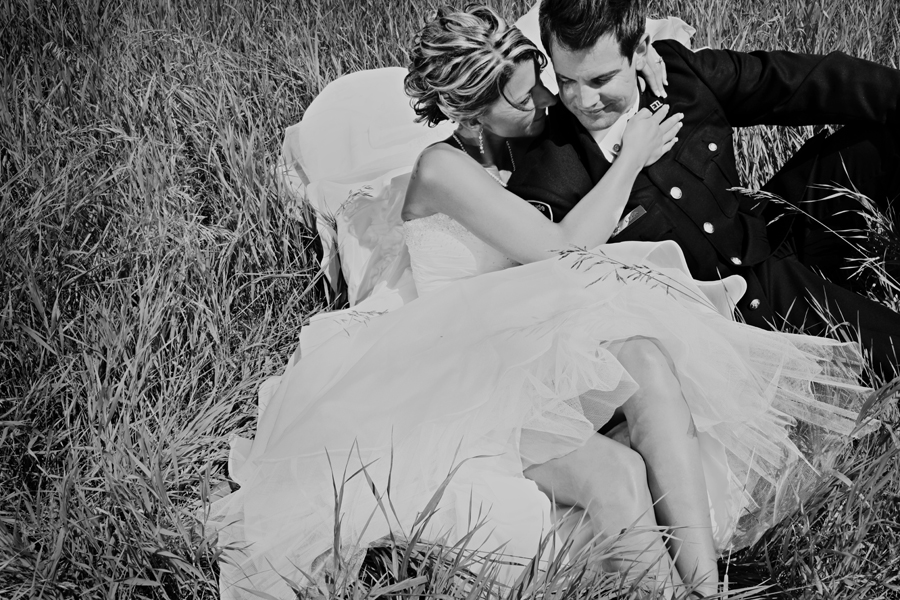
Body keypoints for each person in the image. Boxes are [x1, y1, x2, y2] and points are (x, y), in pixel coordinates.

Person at [209, 6, 875, 600]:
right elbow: (560, 251)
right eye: (524, 99)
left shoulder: (530, 119)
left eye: (538, 81)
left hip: (537, 332)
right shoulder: (444, 170)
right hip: (471, 367)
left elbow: (586, 37)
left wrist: (646, 47)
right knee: (614, 476)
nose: (545, 104)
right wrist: (633, 155)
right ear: (471, 113)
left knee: (646, 359)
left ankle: (706, 588)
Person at [507, 0, 900, 380]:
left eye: (601, 79)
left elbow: (789, 82)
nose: (584, 100)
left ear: (640, 51)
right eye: (565, 81)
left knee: (886, 130)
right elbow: (545, 290)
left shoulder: (679, 73)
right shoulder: (550, 168)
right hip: (740, 317)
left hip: (770, 231)